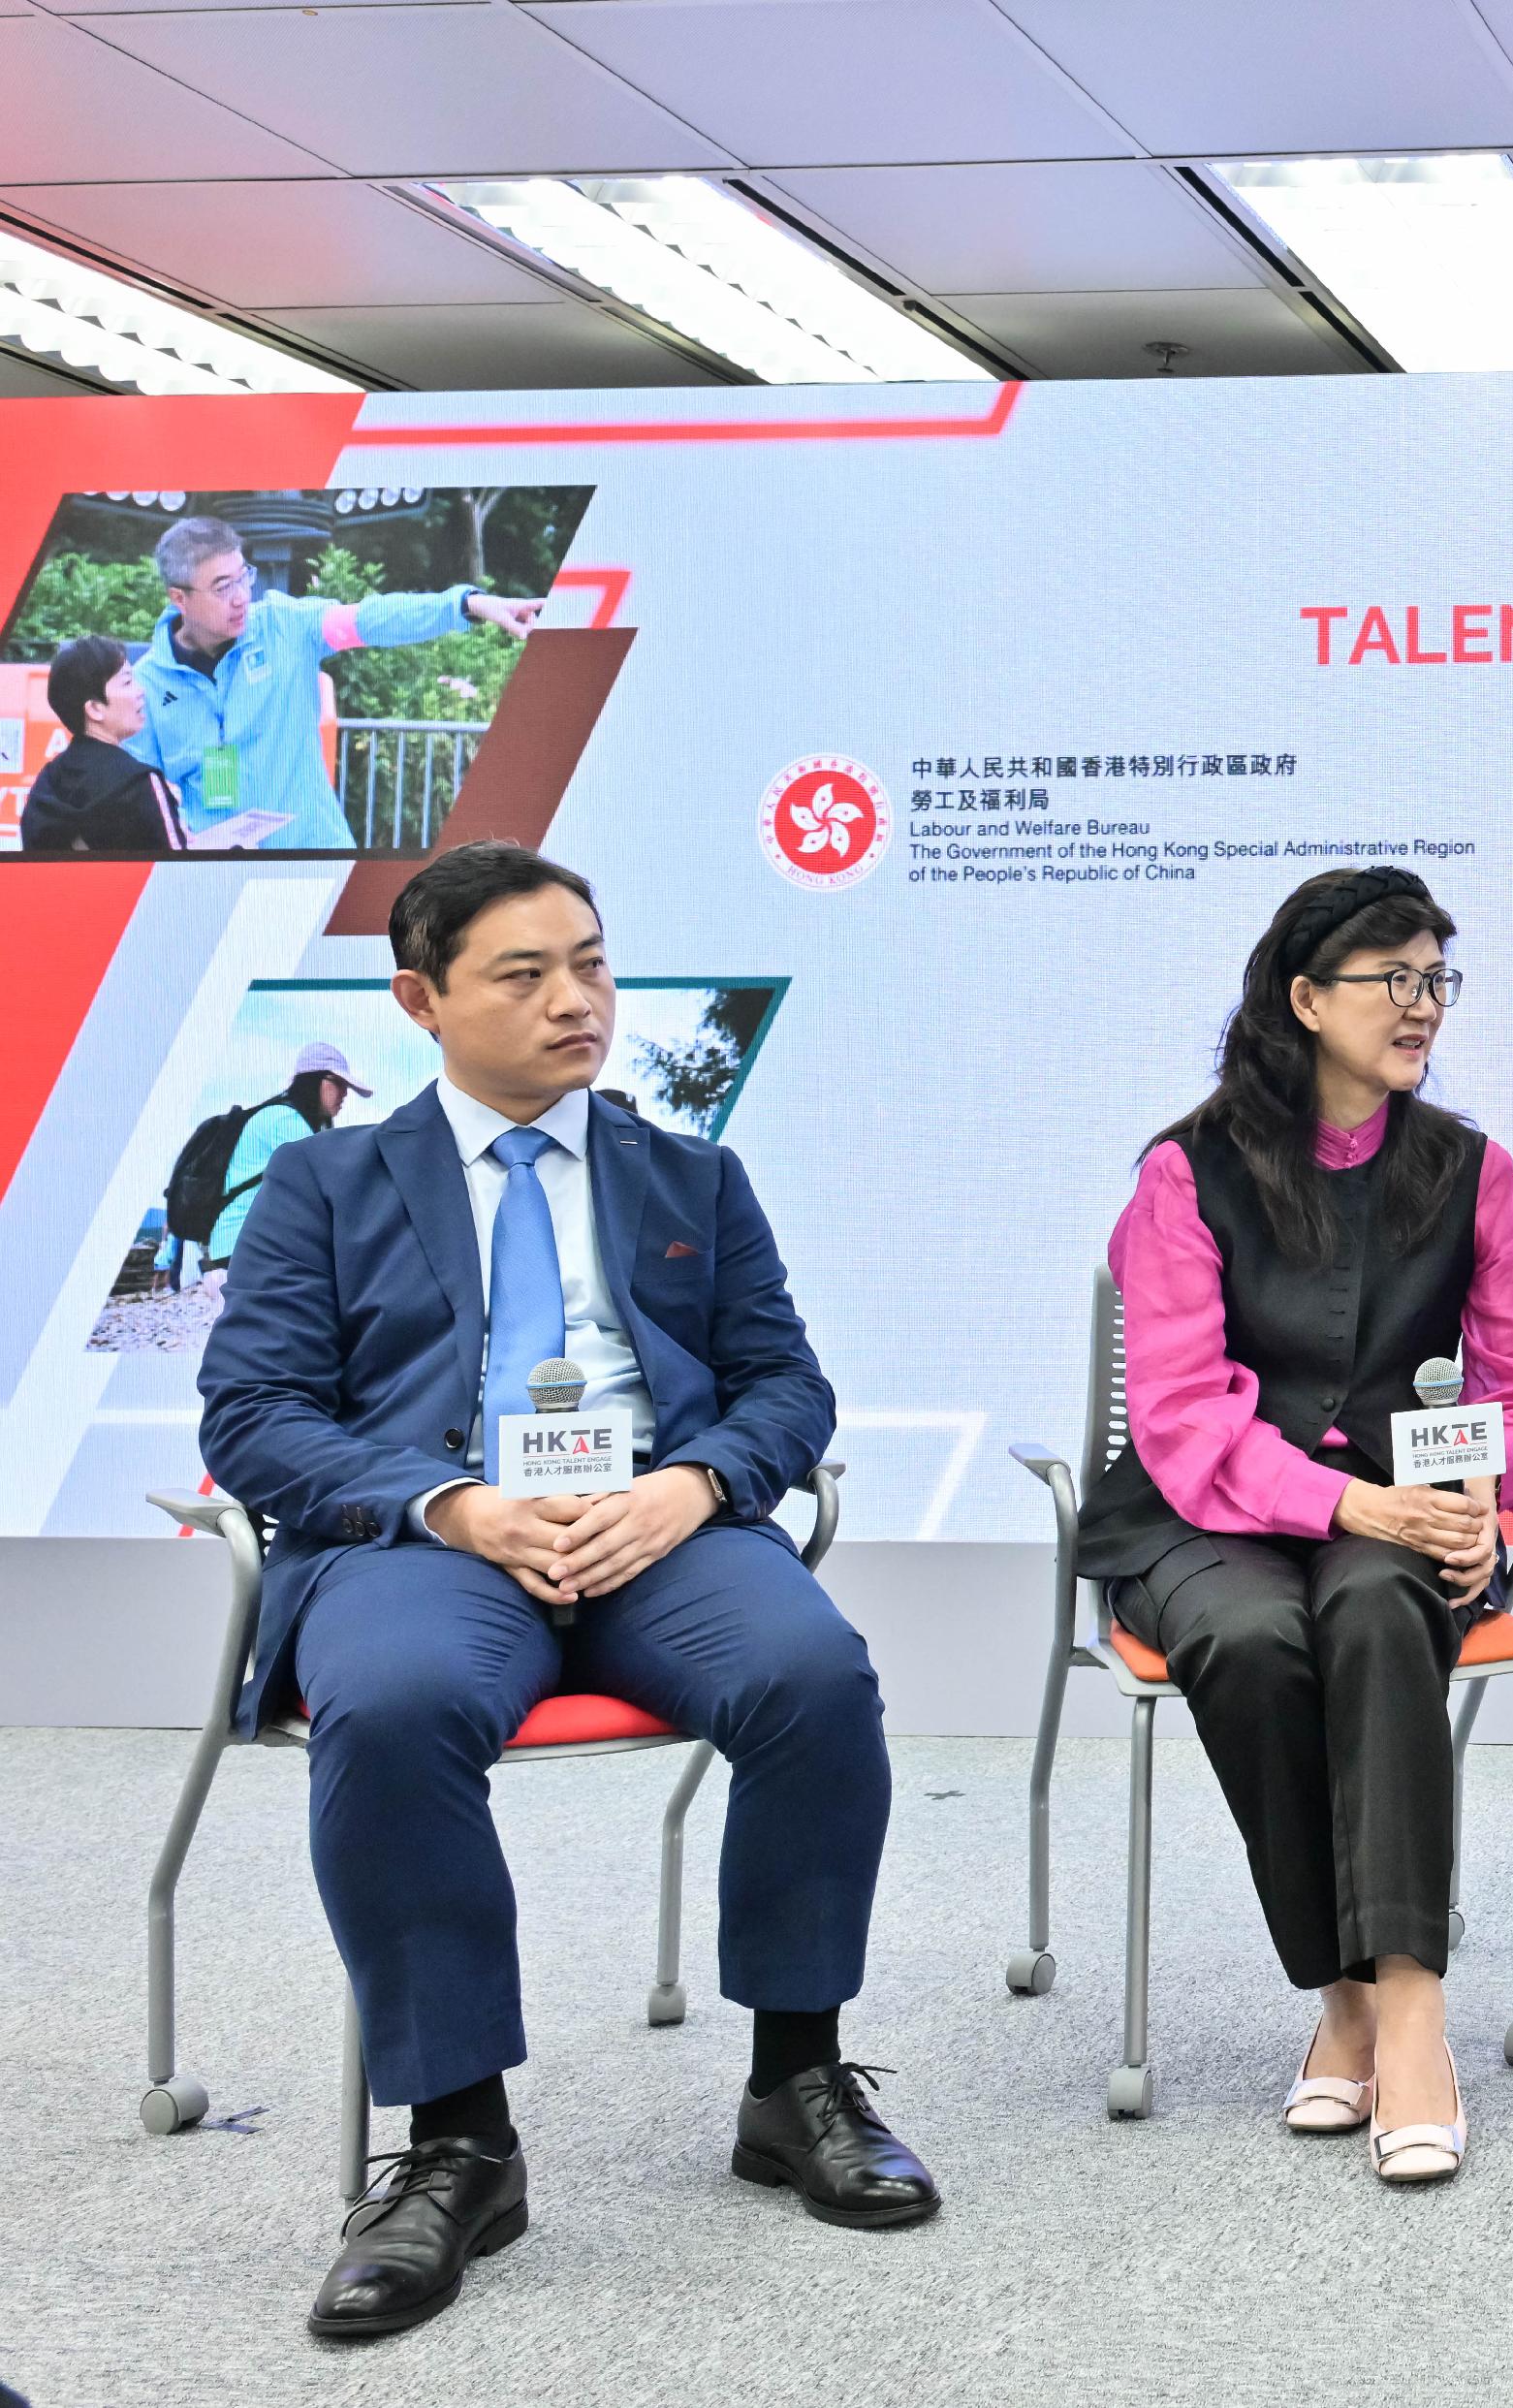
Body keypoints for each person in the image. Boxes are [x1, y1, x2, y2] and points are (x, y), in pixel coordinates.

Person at [196, 841, 936, 2341]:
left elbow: (788, 1385)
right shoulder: (321, 1186)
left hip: (659, 1532)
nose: (574, 1000)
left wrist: (693, 1485)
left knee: (813, 1676)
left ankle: (796, 2080)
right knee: (393, 1706)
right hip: (434, 1543)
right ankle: (460, 2143)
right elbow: (254, 1415)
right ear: (422, 997)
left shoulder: (689, 1175)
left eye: (590, 963)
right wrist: (453, 1504)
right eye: (524, 974)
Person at [1075, 865, 1513, 2187]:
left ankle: (1406, 2004)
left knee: (1370, 1605)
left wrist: (1488, 1484)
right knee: (1251, 1637)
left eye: (1437, 979)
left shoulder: (1472, 1172)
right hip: (1205, 1516)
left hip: (1401, 1508)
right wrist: (1351, 1499)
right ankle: (1348, 1995)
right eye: (1392, 980)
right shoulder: (1185, 1173)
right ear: (1306, 999)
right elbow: (1182, 1426)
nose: (1422, 1007)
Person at [130, 514, 544, 852]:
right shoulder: (144, 686)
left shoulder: (286, 627)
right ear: (179, 598)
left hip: (316, 861)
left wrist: (466, 604)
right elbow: (136, 800)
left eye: (243, 576)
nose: (241, 596)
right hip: (214, 885)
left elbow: (374, 618)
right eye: (223, 587)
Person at [196, 1041, 361, 1287]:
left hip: (231, 1251)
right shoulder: (288, 1122)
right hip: (245, 1254)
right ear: (316, 1081)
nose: (345, 1093)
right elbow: (325, 1189)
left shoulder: (276, 1115)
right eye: (339, 1083)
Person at [18, 635, 188, 854]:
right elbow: (179, 869)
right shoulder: (138, 782)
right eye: (127, 682)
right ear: (95, 709)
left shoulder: (47, 783)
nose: (141, 691)